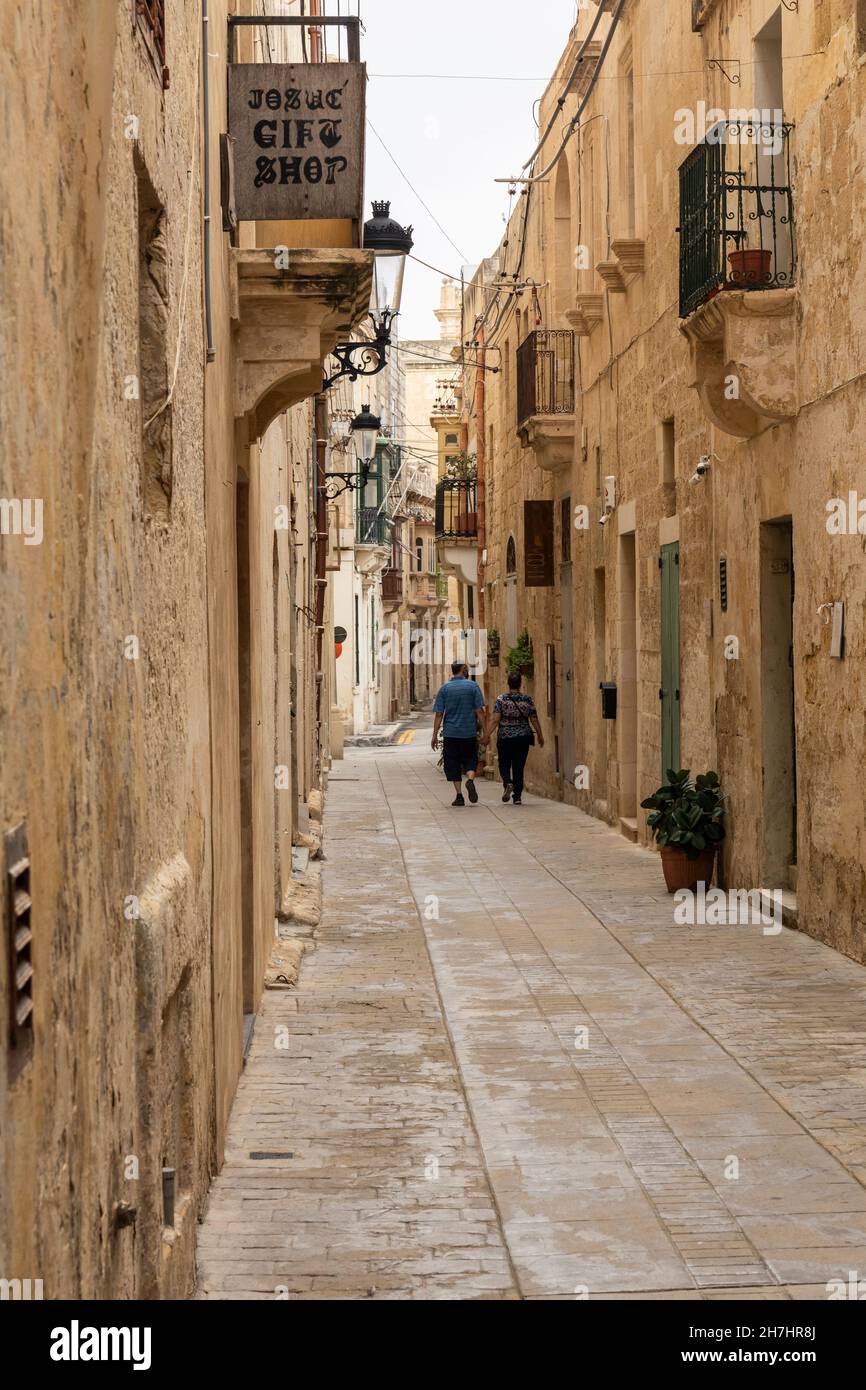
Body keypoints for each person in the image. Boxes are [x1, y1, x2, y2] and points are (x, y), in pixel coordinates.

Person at [431, 660, 487, 806]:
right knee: (470, 760)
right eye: (466, 668)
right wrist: (486, 732)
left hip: (451, 734)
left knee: (453, 764)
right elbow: (480, 711)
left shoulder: (444, 689)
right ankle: (470, 780)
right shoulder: (473, 686)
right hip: (468, 732)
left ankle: (459, 795)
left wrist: (434, 735)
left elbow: (439, 714)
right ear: (462, 669)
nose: (468, 670)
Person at [487, 672, 544, 806]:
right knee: (519, 766)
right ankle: (517, 797)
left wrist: (486, 735)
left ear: (508, 683)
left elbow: (495, 720)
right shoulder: (527, 700)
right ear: (520, 683)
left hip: (505, 737)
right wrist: (540, 735)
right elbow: (534, 719)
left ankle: (508, 782)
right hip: (523, 737)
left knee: (503, 763)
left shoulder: (501, 700)